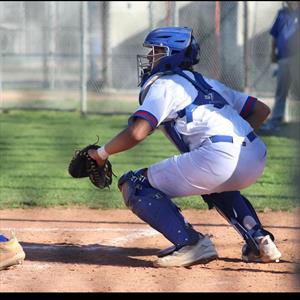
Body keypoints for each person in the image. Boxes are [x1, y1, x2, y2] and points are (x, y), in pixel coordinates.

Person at [88, 26, 282, 267]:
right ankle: (259, 240)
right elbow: (261, 110)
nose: (150, 57)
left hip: (219, 156)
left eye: (156, 51)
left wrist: (101, 153)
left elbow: (138, 131)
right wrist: (237, 138)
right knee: (214, 184)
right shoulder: (205, 81)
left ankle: (191, 243)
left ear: (172, 54)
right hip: (255, 153)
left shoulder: (165, 84)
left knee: (135, 185)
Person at [261, 1, 299, 132]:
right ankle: (276, 121)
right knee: (281, 92)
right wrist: (273, 57)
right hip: (283, 58)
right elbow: (275, 36)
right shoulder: (281, 14)